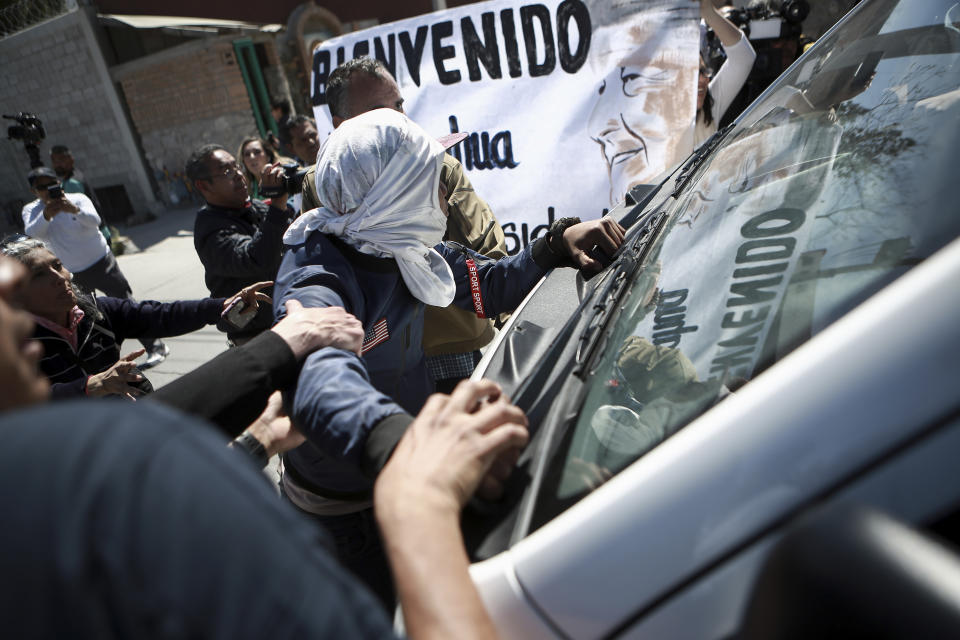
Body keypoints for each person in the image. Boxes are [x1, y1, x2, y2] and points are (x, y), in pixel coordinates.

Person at [0, 252, 527, 640]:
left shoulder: (73, 480)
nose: (9, 280)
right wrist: (419, 501)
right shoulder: (125, 492)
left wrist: (256, 440)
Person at [274, 107, 625, 606]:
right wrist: (413, 447)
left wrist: (556, 242)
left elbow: (492, 285)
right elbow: (318, 377)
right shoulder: (315, 277)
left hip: (409, 468)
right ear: (392, 194)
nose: (445, 194)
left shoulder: (405, 248)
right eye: (432, 180)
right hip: (347, 513)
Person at [317, 56, 509, 393]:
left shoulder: (438, 165)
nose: (401, 120)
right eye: (383, 111)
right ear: (340, 122)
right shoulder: (324, 185)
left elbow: (489, 255)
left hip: (449, 347)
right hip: (378, 362)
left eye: (400, 106)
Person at [0, 236, 270, 399]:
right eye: (39, 275)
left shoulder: (97, 311)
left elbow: (159, 315)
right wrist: (90, 386)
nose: (60, 279)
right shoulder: (15, 344)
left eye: (57, 266)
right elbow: (21, 402)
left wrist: (220, 305)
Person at [20, 167, 169, 366]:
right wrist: (47, 214)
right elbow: (33, 234)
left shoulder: (77, 198)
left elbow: (95, 221)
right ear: (33, 191)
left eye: (52, 184)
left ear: (59, 182)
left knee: (125, 304)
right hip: (72, 272)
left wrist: (73, 209)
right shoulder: (32, 210)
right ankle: (105, 361)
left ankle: (156, 347)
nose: (49, 189)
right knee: (88, 317)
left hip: (101, 262)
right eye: (42, 187)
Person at [188, 144, 296, 344]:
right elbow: (255, 259)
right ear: (204, 186)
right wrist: (278, 206)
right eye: (226, 171)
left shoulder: (253, 207)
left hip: (287, 322)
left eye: (236, 167)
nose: (238, 175)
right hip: (255, 339)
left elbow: (294, 239)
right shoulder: (210, 228)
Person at [695, 0, 757, 147]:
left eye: (703, 71)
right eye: (693, 73)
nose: (702, 80)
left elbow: (744, 58)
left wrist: (708, 11)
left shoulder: (708, 109)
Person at [237, 136, 293, 201]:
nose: (252, 157)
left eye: (257, 152)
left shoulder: (286, 173)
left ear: (268, 155)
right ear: (243, 161)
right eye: (247, 154)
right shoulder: (246, 188)